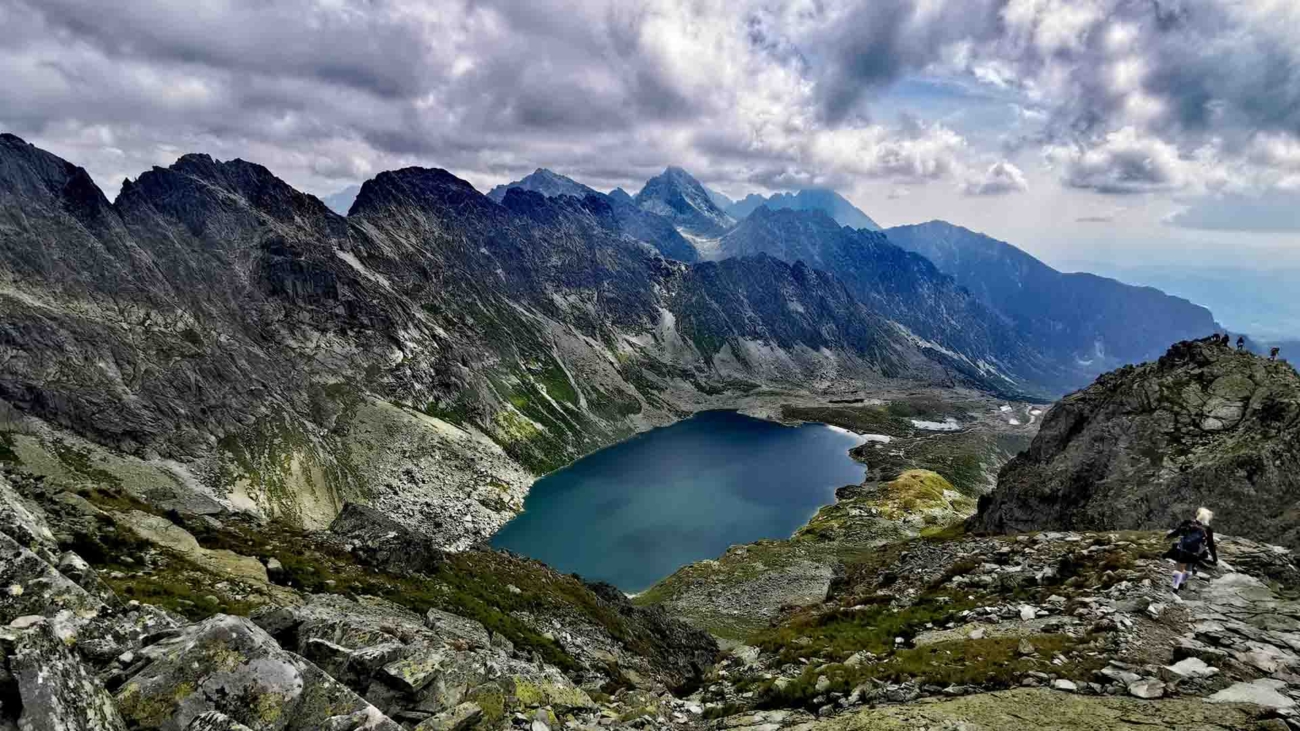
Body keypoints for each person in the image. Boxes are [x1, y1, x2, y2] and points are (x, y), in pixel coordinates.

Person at [1165, 507, 1217, 592]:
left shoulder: (1187, 523)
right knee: (1188, 571)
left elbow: (1177, 532)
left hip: (1183, 549)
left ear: (1197, 515)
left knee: (1179, 569)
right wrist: (1215, 559)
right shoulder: (1208, 530)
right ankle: (1181, 583)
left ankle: (1175, 588)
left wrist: (1168, 537)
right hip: (1194, 553)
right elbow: (1211, 545)